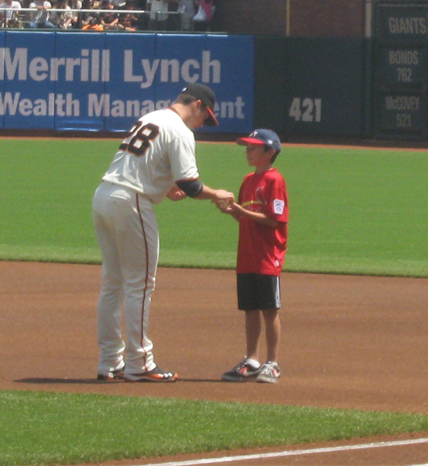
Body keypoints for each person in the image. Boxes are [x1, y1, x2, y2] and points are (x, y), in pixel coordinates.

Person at [92, 83, 232, 382]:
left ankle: (109, 362)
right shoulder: (181, 130)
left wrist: (164, 185)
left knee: (113, 284)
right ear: (196, 105)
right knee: (140, 285)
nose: (204, 123)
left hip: (104, 196)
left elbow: (143, 162)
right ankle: (139, 363)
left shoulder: (152, 117)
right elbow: (193, 186)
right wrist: (216, 193)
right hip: (131, 202)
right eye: (206, 116)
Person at [219, 129, 289, 384]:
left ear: (269, 152)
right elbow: (241, 216)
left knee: (269, 309)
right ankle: (251, 360)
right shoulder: (248, 180)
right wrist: (229, 210)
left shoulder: (274, 181)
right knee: (250, 309)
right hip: (246, 255)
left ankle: (272, 363)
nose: (247, 152)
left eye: (253, 148)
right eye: (247, 148)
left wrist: (242, 212)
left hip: (267, 255)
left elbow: (274, 220)